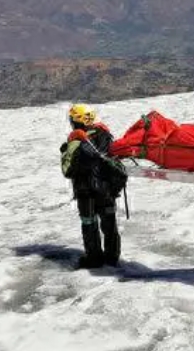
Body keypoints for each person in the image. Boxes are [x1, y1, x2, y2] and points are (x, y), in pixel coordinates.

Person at [61, 103, 125, 268]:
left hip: (86, 192)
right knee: (109, 224)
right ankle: (112, 259)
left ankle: (94, 259)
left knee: (89, 224)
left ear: (76, 120)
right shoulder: (105, 134)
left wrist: (66, 150)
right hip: (107, 191)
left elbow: (68, 170)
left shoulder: (77, 140)